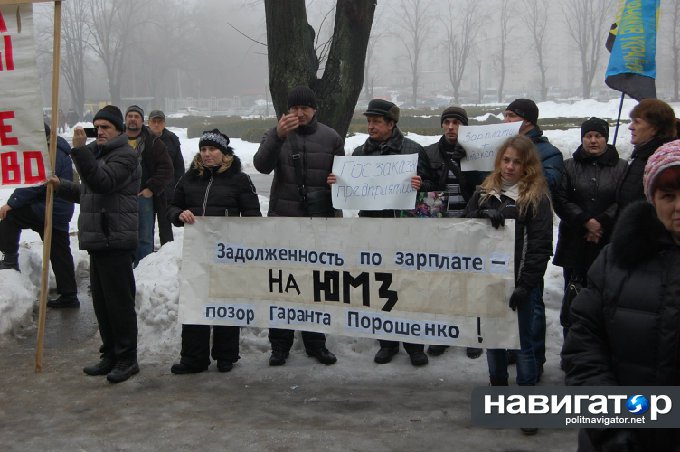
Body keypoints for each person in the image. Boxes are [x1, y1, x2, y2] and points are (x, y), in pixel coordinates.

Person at [562, 140, 680, 452]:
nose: (679, 206)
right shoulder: (615, 262)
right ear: (652, 199)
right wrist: (612, 430)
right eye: (668, 196)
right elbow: (584, 348)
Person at [463, 136, 552, 430]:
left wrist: (526, 285)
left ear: (527, 166)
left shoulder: (536, 198)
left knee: (523, 345)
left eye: (517, 162)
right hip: (489, 282)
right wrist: (480, 215)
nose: (510, 167)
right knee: (493, 342)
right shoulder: (485, 192)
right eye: (506, 160)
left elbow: (539, 247)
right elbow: (464, 227)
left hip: (519, 283)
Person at [49, 105, 141, 384]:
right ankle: (110, 354)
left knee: (119, 304)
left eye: (106, 127)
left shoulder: (125, 155)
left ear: (118, 131)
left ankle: (127, 358)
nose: (99, 132)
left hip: (115, 239)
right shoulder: (101, 156)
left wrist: (79, 151)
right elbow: (89, 194)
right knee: (102, 304)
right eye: (97, 127)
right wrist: (61, 185)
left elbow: (103, 183)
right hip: (99, 240)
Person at [254, 85, 342, 367]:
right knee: (283, 285)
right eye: (295, 108)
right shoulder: (276, 134)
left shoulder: (331, 137)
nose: (300, 113)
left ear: (315, 109)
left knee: (316, 285)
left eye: (305, 108)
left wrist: (338, 180)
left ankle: (316, 343)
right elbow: (261, 165)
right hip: (284, 221)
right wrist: (278, 137)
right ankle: (280, 345)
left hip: (319, 222)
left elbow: (345, 178)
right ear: (287, 111)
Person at [169, 129, 261, 374]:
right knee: (195, 302)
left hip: (228, 253)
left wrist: (243, 239)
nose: (207, 154)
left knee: (226, 303)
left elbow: (253, 216)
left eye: (212, 150)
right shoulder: (189, 179)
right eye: (204, 149)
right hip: (197, 253)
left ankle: (226, 355)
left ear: (224, 153)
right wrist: (179, 214)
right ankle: (193, 358)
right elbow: (172, 205)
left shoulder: (240, 180)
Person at [346, 98, 429, 367]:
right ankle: (387, 342)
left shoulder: (412, 150)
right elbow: (350, 189)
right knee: (381, 286)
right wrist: (339, 181)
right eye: (369, 121)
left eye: (376, 122)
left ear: (391, 124)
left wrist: (421, 183)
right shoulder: (360, 153)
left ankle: (415, 344)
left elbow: (432, 190)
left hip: (404, 230)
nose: (371, 126)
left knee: (408, 286)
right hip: (373, 229)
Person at [419, 106, 487, 359]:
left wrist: (464, 162)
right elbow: (424, 185)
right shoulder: (429, 153)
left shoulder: (477, 152)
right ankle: (444, 334)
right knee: (443, 282)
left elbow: (486, 184)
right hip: (442, 226)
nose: (450, 127)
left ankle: (473, 334)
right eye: (446, 122)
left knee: (472, 281)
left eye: (456, 123)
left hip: (471, 224)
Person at [503, 98, 563, 379]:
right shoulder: (503, 148)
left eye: (510, 116)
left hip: (529, 238)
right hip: (504, 240)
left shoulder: (548, 152)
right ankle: (511, 349)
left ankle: (534, 358)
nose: (505, 121)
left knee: (532, 302)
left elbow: (549, 182)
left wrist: (519, 172)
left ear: (527, 121)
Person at [553, 118, 626, 335]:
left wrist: (601, 222)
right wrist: (585, 221)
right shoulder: (569, 166)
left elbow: (624, 200)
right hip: (575, 242)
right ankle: (573, 349)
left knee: (608, 298)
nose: (593, 140)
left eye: (598, 136)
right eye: (588, 136)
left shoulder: (621, 167)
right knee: (574, 297)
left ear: (606, 138)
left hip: (608, 242)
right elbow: (560, 199)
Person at [0, 124, 79, 308]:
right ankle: (69, 295)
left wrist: (11, 203)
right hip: (56, 208)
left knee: (10, 217)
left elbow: (36, 182)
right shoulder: (54, 149)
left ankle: (10, 259)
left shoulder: (51, 154)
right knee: (59, 252)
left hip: (50, 208)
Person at [124, 105, 172, 266]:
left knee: (144, 237)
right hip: (120, 197)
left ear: (142, 121)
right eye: (130, 115)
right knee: (122, 236)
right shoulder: (117, 141)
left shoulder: (153, 142)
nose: (132, 118)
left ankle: (142, 270)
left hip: (142, 197)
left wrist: (151, 188)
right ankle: (125, 269)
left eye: (136, 116)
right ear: (125, 119)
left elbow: (166, 168)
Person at [617, 98, 678, 213]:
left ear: (654, 128)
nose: (630, 127)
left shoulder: (664, 163)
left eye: (637, 122)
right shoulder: (642, 156)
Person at [148, 109, 184, 246]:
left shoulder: (172, 139)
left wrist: (178, 186)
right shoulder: (143, 138)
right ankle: (145, 255)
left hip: (166, 190)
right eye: (154, 121)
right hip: (147, 188)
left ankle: (166, 253)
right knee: (146, 225)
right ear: (148, 122)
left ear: (164, 123)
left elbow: (178, 166)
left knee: (165, 225)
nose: (156, 124)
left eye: (160, 121)